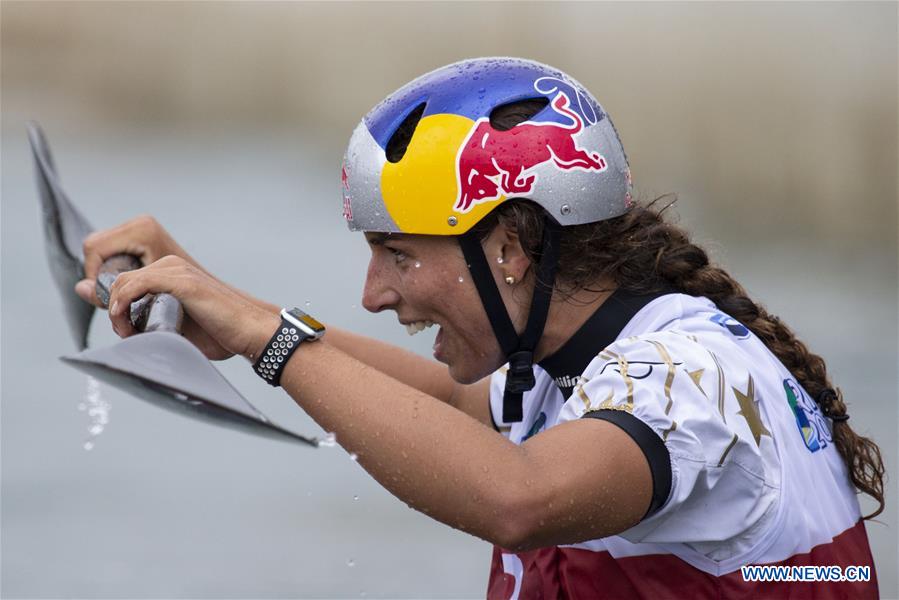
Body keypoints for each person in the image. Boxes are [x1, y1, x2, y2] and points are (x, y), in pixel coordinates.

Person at [73, 57, 883, 598]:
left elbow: (516, 498)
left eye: (396, 254)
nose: (372, 295)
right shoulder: (579, 358)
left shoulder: (688, 374)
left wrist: (267, 337)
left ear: (509, 247)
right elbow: (452, 411)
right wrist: (227, 309)